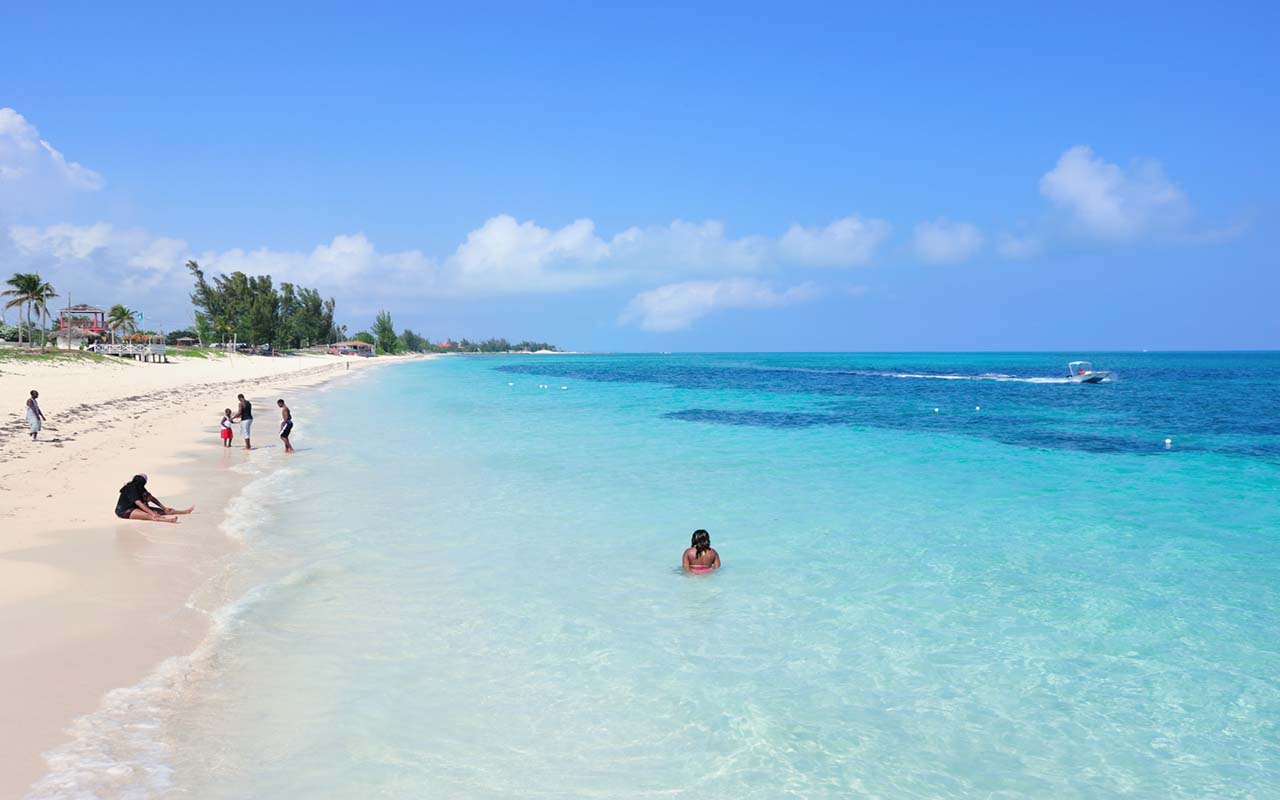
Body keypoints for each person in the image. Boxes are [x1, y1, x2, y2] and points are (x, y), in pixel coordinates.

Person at [114, 474, 194, 523]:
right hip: (124, 511)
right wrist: (152, 512)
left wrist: (164, 507)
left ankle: (184, 512)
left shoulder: (140, 487)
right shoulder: (131, 488)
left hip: (135, 508)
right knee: (149, 515)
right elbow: (138, 503)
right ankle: (167, 520)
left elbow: (151, 498)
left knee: (163, 511)